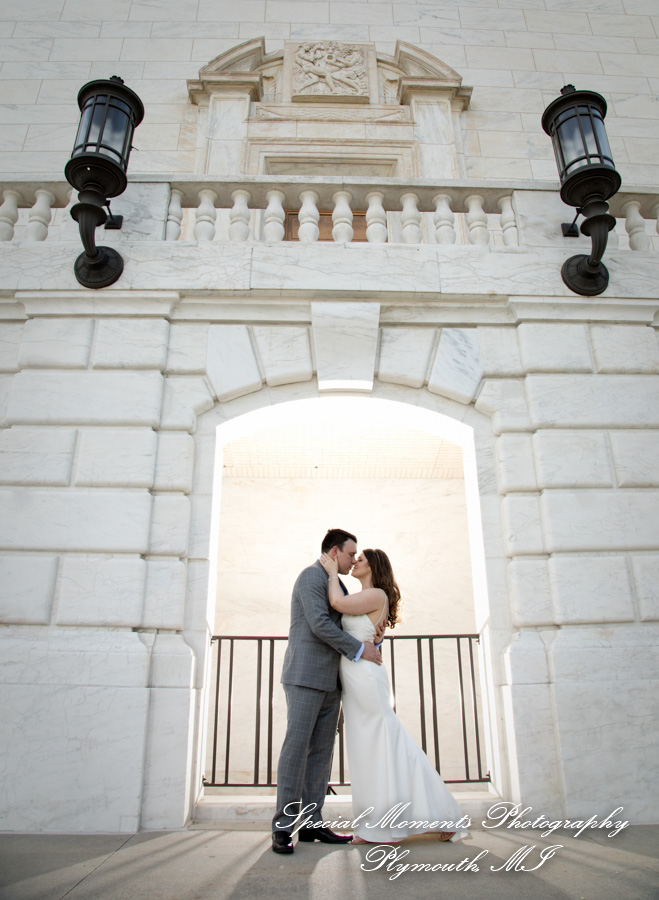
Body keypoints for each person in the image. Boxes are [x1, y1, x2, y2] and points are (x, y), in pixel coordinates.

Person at [320, 547, 468, 844]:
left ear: (373, 566)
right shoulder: (366, 595)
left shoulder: (375, 595)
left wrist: (332, 573)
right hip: (355, 678)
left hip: (365, 677)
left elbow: (336, 602)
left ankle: (432, 816)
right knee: (368, 748)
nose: (355, 562)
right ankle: (374, 824)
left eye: (360, 559)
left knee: (384, 743)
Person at [271, 529, 386, 855]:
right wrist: (359, 650)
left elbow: (352, 619)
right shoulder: (310, 577)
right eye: (351, 554)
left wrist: (373, 637)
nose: (354, 560)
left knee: (321, 754)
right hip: (305, 677)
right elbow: (320, 624)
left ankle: (312, 824)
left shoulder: (341, 585)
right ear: (335, 551)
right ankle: (283, 826)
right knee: (296, 751)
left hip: (332, 682)